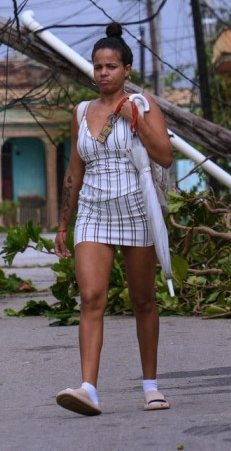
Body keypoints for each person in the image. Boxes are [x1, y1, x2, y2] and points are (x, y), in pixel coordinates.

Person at [54, 22, 173, 417]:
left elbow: (164, 155)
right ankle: (88, 389)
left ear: (126, 70)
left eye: (111, 66)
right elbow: (75, 171)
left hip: (136, 209)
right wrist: (63, 224)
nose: (103, 73)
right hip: (93, 211)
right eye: (98, 67)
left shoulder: (143, 105)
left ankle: (151, 387)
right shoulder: (81, 112)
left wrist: (132, 118)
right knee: (91, 297)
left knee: (143, 300)